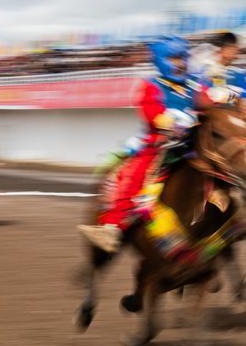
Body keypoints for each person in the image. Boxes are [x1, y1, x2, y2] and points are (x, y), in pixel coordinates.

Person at [77, 36, 205, 253]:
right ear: (160, 60)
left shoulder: (196, 83)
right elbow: (151, 111)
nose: (180, 63)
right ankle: (112, 228)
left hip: (196, 144)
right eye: (174, 58)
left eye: (182, 57)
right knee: (133, 176)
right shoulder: (151, 86)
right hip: (161, 145)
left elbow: (208, 102)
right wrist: (169, 122)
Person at [201, 31, 246, 104]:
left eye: (236, 51)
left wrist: (244, 100)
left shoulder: (238, 73)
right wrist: (237, 98)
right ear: (221, 49)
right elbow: (214, 97)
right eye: (233, 50)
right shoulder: (207, 72)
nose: (236, 56)